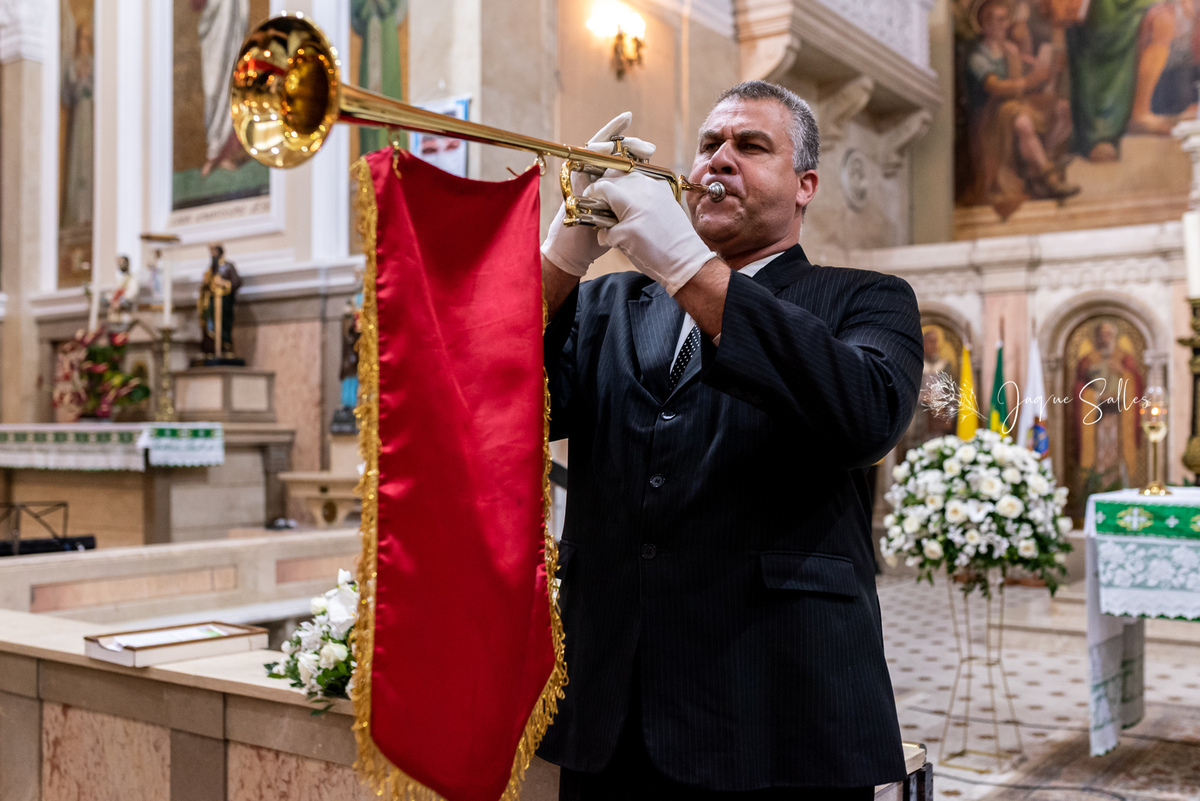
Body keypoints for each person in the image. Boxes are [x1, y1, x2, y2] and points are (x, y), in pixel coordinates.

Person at [537, 81, 925, 798]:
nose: (720, 160)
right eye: (709, 144)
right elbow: (502, 400)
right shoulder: (607, 304)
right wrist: (558, 262)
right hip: (613, 710)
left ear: (805, 185)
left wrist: (687, 266)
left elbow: (866, 415)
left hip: (779, 707)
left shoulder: (866, 299)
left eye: (750, 147)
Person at [964, 0, 1077, 217]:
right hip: (990, 117)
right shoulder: (979, 56)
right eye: (999, 20)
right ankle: (1049, 177)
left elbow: (1026, 78)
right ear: (985, 25)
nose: (1005, 24)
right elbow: (994, 87)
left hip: (1015, 102)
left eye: (1006, 19)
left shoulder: (1011, 49)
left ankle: (1041, 166)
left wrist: (1047, 70)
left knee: (1062, 109)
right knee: (1022, 121)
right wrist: (1030, 81)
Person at [197, 244, 243, 361]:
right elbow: (205, 286)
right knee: (209, 325)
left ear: (219, 251)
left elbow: (236, 282)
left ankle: (224, 347)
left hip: (223, 304)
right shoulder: (210, 269)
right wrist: (206, 282)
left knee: (223, 326)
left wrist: (223, 284)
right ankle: (210, 349)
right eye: (211, 251)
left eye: (214, 251)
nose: (212, 254)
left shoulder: (228, 266)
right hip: (211, 304)